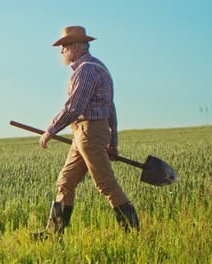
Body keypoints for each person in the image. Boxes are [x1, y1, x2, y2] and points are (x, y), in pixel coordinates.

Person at [34, 26, 139, 239]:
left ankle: (133, 233)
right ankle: (54, 234)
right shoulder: (99, 67)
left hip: (88, 132)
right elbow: (111, 107)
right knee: (65, 181)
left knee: (105, 183)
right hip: (85, 133)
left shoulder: (86, 70)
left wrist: (50, 131)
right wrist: (113, 141)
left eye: (64, 46)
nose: (61, 51)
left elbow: (75, 107)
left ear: (75, 46)